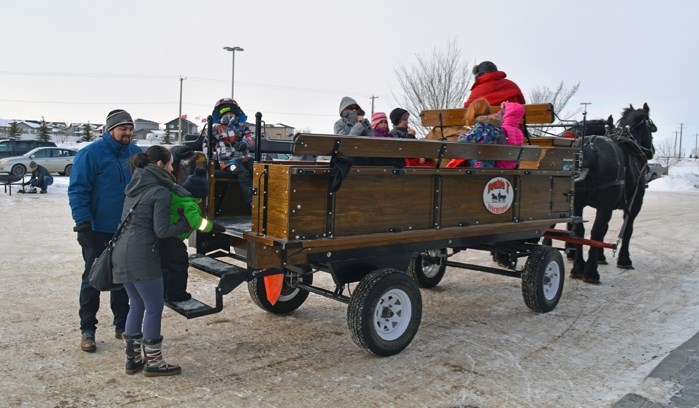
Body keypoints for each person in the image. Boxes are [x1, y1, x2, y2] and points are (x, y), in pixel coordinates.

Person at [112, 145, 191, 377]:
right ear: (160, 165)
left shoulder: (134, 186)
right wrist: (186, 224)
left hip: (120, 252)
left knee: (136, 305)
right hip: (142, 256)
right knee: (154, 308)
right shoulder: (160, 192)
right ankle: (154, 362)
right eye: (170, 163)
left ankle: (133, 359)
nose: (173, 167)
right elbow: (163, 230)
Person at [68, 109, 142, 353]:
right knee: (93, 278)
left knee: (123, 278)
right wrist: (82, 223)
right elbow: (78, 190)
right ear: (110, 130)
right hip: (97, 229)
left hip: (126, 228)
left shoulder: (135, 154)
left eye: (130, 128)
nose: (128, 133)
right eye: (123, 128)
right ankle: (87, 330)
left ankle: (122, 325)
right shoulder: (90, 154)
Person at [161, 166, 224, 305]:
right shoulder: (189, 203)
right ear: (198, 194)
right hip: (174, 240)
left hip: (164, 238)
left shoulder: (176, 195)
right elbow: (196, 222)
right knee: (179, 266)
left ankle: (165, 292)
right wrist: (213, 227)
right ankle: (176, 294)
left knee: (166, 267)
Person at [203, 98, 254, 208]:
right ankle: (251, 202)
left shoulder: (242, 126)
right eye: (226, 114)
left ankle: (266, 199)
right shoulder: (215, 128)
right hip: (228, 162)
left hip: (244, 158)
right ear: (220, 115)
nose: (229, 116)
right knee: (243, 173)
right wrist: (212, 157)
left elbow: (250, 138)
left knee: (259, 169)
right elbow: (207, 145)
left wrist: (244, 143)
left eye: (232, 113)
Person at [455, 97, 504, 168]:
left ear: (474, 112)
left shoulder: (481, 126)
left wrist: (460, 136)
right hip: (491, 166)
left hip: (478, 166)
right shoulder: (496, 127)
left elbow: (464, 140)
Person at [495, 101, 525, 169]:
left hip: (499, 167)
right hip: (512, 168)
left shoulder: (502, 130)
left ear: (506, 114)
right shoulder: (519, 132)